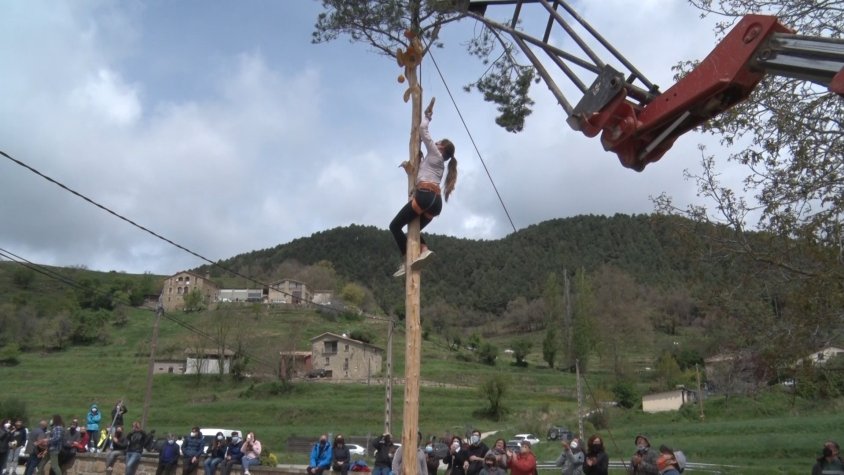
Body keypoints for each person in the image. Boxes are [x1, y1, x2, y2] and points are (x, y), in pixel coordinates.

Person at [389, 101, 458, 277]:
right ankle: (424, 249)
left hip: (425, 196)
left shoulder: (435, 153)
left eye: (438, 142)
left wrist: (427, 117)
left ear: (441, 147)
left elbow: (422, 131)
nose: (435, 142)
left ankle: (406, 261)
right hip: (436, 203)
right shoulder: (440, 164)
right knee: (414, 230)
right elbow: (422, 173)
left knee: (395, 226)